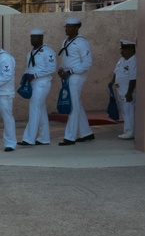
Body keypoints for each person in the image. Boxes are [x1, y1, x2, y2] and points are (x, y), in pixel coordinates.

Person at [57, 16, 94, 145]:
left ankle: (70, 137)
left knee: (72, 105)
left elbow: (87, 63)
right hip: (68, 76)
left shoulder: (82, 42)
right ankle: (86, 133)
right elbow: (66, 59)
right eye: (66, 26)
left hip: (77, 76)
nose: (67, 29)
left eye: (70, 27)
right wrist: (61, 69)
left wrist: (71, 71)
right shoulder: (66, 41)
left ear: (77, 28)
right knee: (77, 104)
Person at [19, 28, 56, 146]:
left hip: (42, 82)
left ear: (41, 38)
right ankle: (44, 138)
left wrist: (35, 75)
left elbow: (51, 68)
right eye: (31, 37)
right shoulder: (30, 53)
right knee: (41, 110)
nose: (32, 39)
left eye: (34, 37)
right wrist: (25, 77)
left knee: (34, 108)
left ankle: (29, 138)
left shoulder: (48, 51)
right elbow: (29, 67)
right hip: (32, 83)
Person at [111, 39, 137, 140]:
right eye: (122, 49)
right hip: (120, 90)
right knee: (124, 111)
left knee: (129, 111)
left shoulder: (134, 61)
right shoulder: (121, 60)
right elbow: (116, 72)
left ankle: (130, 131)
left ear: (131, 49)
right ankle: (127, 130)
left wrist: (129, 93)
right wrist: (112, 81)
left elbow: (133, 79)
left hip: (127, 91)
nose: (122, 52)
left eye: (124, 49)